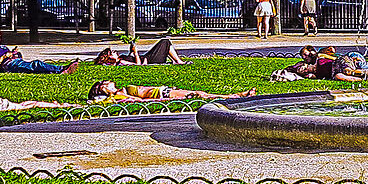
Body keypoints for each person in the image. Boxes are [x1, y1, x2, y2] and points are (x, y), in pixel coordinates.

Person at [0, 29, 70, 75]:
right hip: (9, 64)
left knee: (33, 65)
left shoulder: (3, 47)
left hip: (15, 60)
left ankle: (57, 70)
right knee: (35, 64)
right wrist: (3, 57)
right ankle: (60, 69)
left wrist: (13, 52)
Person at [87, 79, 253, 103]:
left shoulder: (120, 91)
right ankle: (235, 97)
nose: (108, 82)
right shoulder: (118, 95)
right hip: (163, 94)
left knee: (201, 93)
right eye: (104, 84)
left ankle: (235, 96)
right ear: (102, 89)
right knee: (201, 95)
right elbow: (140, 100)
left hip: (164, 91)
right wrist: (164, 100)